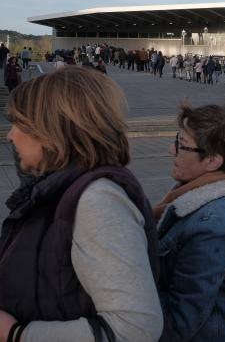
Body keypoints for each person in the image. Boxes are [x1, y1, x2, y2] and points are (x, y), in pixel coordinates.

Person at [0, 66, 162, 341]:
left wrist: (17, 334)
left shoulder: (96, 200)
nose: (10, 135)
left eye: (19, 124)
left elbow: (136, 327)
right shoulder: (58, 186)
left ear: (51, 130)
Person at [154, 103, 225, 340]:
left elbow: (179, 322)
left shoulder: (213, 227)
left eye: (181, 145)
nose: (172, 150)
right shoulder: (192, 193)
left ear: (212, 161)